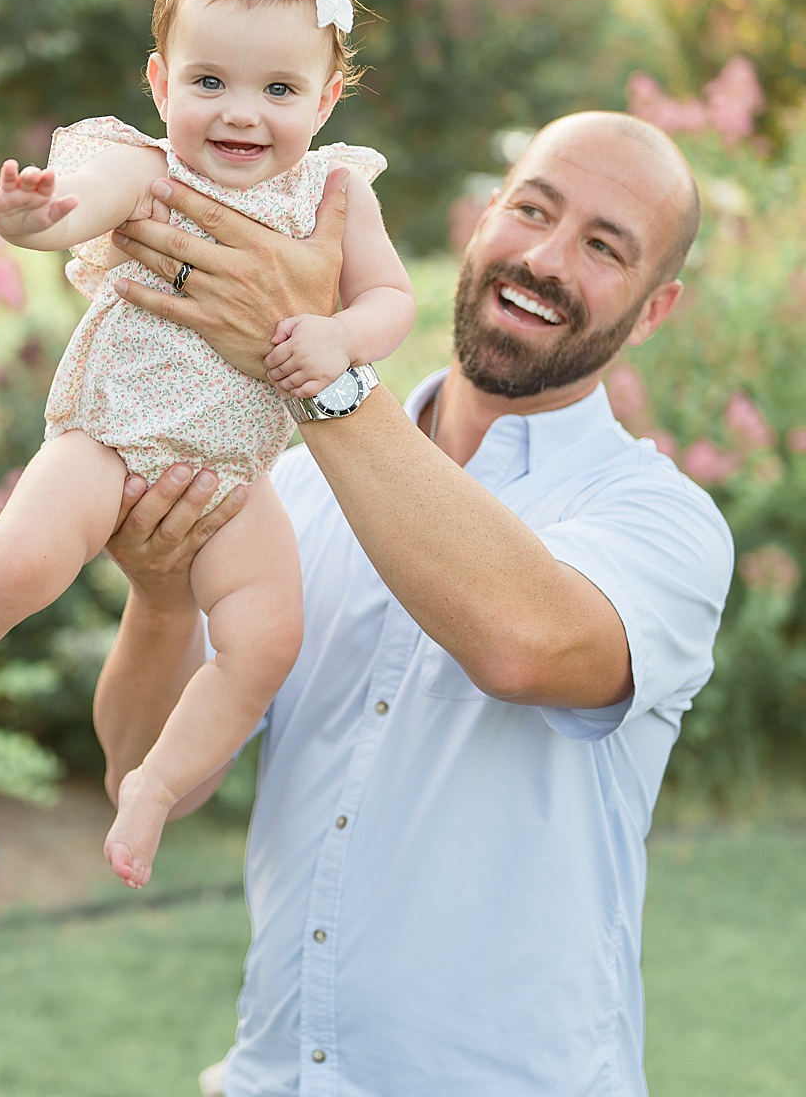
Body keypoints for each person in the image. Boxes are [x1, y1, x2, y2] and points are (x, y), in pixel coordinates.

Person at [94, 112, 734, 1095]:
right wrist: (164, 597)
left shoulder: (662, 523)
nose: (546, 257)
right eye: (531, 210)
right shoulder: (296, 487)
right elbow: (148, 774)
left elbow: (521, 644)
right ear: (480, 222)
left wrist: (317, 374)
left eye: (605, 247)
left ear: (654, 310)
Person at [0, 0, 415, 889]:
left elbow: (392, 299)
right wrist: (33, 216)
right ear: (160, 81)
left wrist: (343, 337)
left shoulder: (337, 194)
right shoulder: (143, 166)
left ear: (327, 96)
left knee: (267, 639)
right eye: (209, 82)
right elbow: (76, 206)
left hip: (232, 475)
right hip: (106, 439)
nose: (241, 115)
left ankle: (155, 785)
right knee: (15, 567)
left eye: (279, 90)